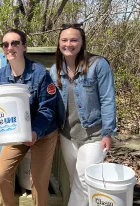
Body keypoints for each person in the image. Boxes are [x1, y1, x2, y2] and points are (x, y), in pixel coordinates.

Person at [49, 23, 117, 205]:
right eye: (64, 40)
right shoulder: (55, 70)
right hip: (67, 135)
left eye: (74, 40)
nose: (68, 44)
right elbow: (51, 104)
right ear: (58, 43)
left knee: (84, 181)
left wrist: (107, 132)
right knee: (75, 181)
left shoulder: (98, 65)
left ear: (82, 42)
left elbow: (108, 99)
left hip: (93, 134)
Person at [0, 29, 59, 206]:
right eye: (5, 44)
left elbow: (48, 109)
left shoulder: (40, 74)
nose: (10, 47)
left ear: (24, 47)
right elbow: (0, 109)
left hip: (43, 133)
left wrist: (36, 131)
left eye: (15, 43)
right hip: (17, 133)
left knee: (38, 181)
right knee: (1, 175)